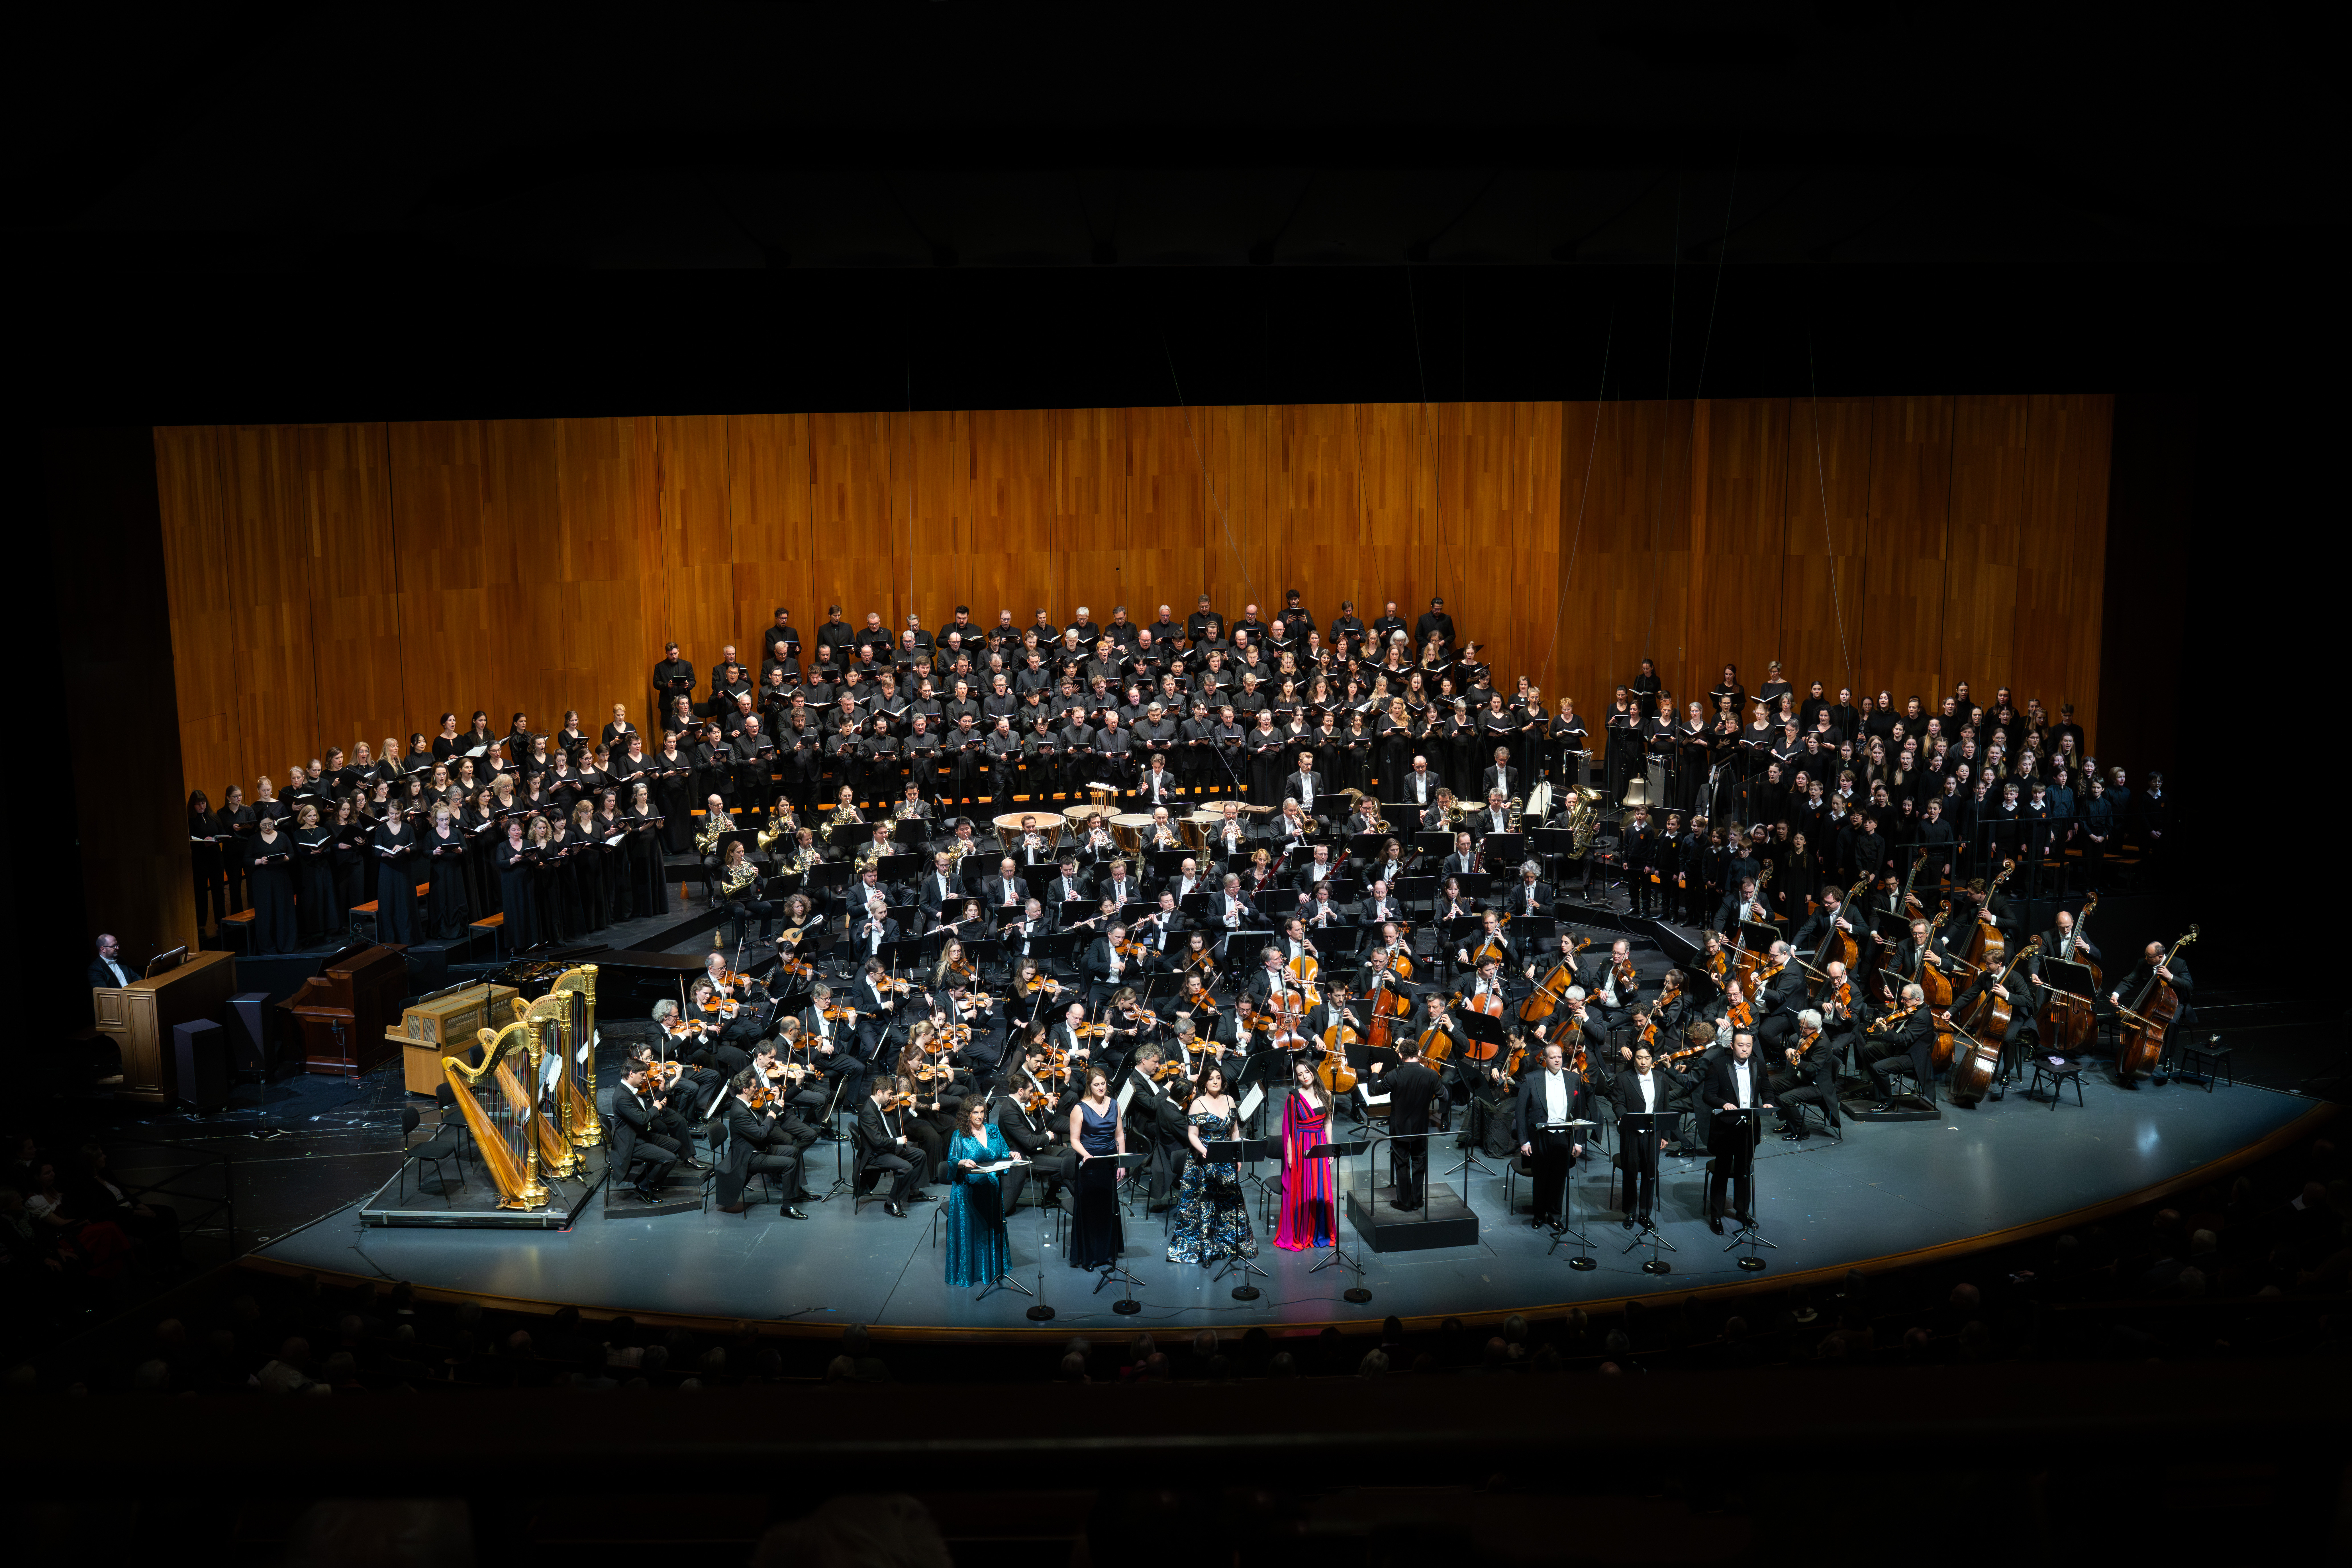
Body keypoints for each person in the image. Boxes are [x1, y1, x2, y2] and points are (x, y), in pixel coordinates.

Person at [1165, 1061, 1257, 1266]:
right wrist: (1204, 1150)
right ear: (1204, 1083)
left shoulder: (1230, 1100)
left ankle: (1232, 1245)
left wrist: (1238, 1155)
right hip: (1203, 1159)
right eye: (1211, 1079)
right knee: (1205, 1205)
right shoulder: (1198, 1103)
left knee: (1229, 1203)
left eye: (1218, 1078)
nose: (1215, 1082)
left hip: (1226, 1157)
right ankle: (1207, 1250)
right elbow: (1193, 1135)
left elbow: (1235, 1132)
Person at [1700, 1029, 1772, 1234]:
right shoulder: (1719, 1066)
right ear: (1732, 1046)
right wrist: (1724, 1104)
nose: (1745, 1050)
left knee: (1744, 1172)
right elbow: (1708, 1095)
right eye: (1741, 1045)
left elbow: (1767, 1088)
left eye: (1748, 1046)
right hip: (1726, 1129)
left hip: (1749, 1129)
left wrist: (1768, 1102)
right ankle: (1716, 1215)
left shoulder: (1759, 1064)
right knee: (1722, 1172)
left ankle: (1742, 1212)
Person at [1514, 1040, 1590, 1230]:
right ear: (1544, 1059)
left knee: (1559, 1177)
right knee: (1541, 1177)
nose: (1557, 1060)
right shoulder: (1532, 1079)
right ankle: (1539, 1214)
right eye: (1553, 1057)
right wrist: (1524, 1141)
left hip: (1563, 1136)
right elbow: (1521, 1113)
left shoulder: (1573, 1078)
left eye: (1560, 1056)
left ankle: (1555, 1215)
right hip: (1540, 1136)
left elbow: (1581, 1114)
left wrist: (1579, 1142)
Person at [945, 1096, 1017, 1287]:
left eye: (982, 1112)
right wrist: (962, 1162)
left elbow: (1003, 1152)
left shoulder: (993, 1131)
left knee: (990, 1229)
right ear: (967, 1115)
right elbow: (952, 1161)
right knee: (972, 1234)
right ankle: (971, 1273)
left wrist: (1012, 1154)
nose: (980, 1116)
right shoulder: (960, 1135)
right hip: (967, 1194)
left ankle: (992, 1271)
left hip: (991, 1189)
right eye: (975, 1113)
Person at [1614, 1042, 1687, 1230]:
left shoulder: (1662, 1078)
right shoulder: (1623, 1078)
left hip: (1653, 1133)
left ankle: (1645, 1213)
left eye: (1647, 1058)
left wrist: (1665, 1135)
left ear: (1653, 1059)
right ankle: (1630, 1212)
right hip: (1632, 1133)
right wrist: (1625, 1117)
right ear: (1634, 1058)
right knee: (1630, 1172)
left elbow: (1664, 1108)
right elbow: (1618, 1103)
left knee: (1650, 1173)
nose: (1643, 1062)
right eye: (1639, 1058)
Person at [714, 1079, 810, 1219]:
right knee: (790, 1164)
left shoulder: (746, 1104)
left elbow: (761, 1126)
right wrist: (773, 1114)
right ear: (746, 1090)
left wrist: (776, 1105)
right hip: (750, 1157)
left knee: (794, 1151)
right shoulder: (739, 1111)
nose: (757, 1089)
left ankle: (795, 1193)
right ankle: (787, 1207)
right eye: (754, 1087)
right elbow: (760, 1134)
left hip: (758, 1148)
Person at [1068, 1066, 1127, 1270]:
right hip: (1089, 1164)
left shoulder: (1115, 1105)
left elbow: (1119, 1136)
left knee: (1108, 1208)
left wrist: (1121, 1163)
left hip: (1109, 1162)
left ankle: (1108, 1253)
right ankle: (1090, 1257)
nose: (1101, 1088)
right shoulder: (1080, 1108)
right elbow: (1074, 1140)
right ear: (1089, 1087)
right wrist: (1087, 1156)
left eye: (1103, 1084)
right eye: (1097, 1085)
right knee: (1091, 1210)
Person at [1276, 1057, 1337, 1250]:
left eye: (1307, 1072)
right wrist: (1290, 1155)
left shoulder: (1326, 1094)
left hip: (1319, 1145)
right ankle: (1301, 1232)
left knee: (1320, 1188)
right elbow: (1288, 1130)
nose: (1304, 1077)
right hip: (1301, 1148)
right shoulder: (1293, 1097)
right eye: (1300, 1074)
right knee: (1302, 1191)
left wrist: (1330, 1150)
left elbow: (1328, 1124)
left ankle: (1318, 1232)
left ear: (1313, 1072)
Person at [1384, 1038, 1445, 1211]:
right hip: (1421, 1128)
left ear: (1401, 1056)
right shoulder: (1432, 1075)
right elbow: (1445, 1096)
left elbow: (1373, 1091)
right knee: (1419, 1161)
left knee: (1402, 1164)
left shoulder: (1393, 1075)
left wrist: (1374, 1073)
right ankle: (1418, 1200)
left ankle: (1404, 1203)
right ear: (1419, 1054)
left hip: (1400, 1128)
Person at [856, 1077, 927, 1218]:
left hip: (888, 1148)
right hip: (876, 1155)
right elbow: (877, 1142)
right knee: (906, 1167)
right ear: (880, 1093)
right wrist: (898, 1141)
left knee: (920, 1155)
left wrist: (912, 1110)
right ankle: (891, 1202)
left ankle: (912, 1193)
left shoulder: (881, 1107)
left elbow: (895, 1125)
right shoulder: (867, 1113)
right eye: (890, 1095)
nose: (892, 1098)